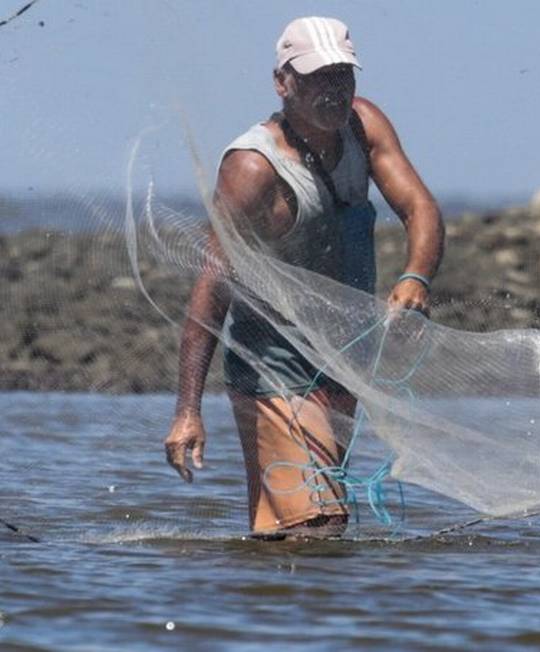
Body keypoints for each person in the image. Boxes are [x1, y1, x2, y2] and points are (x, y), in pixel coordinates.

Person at [162, 16, 444, 538]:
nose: (333, 91)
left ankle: (249, 612)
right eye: (316, 78)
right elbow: (210, 288)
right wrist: (187, 411)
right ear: (282, 82)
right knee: (319, 523)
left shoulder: (365, 127)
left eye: (343, 76)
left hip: (344, 361)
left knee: (289, 528)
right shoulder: (253, 168)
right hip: (274, 365)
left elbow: (420, 207)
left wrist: (415, 278)